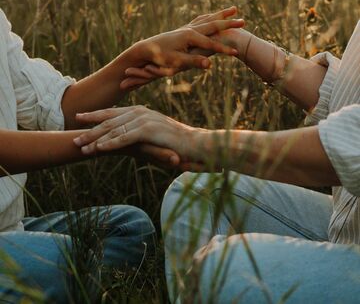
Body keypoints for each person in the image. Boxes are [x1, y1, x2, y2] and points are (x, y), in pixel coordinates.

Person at [75, 19, 360, 303]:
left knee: (219, 269)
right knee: (194, 194)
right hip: (348, 227)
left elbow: (346, 150)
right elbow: (347, 102)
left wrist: (191, 138)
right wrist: (244, 45)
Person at [0, 5, 244, 302]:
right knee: (61, 263)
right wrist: (117, 140)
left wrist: (143, 55)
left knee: (131, 228)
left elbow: (60, 109)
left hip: (11, 227)